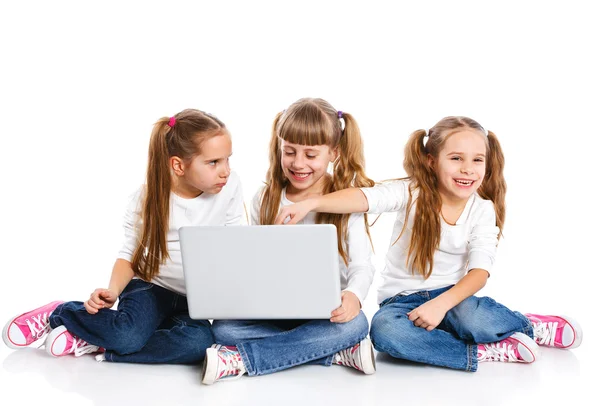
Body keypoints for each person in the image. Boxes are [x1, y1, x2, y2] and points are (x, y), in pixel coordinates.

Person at [275, 116, 582, 372]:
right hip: (401, 304)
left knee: (472, 317)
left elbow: (480, 272)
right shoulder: (410, 192)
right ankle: (484, 352)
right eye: (456, 159)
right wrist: (311, 202)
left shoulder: (482, 209)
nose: (467, 169)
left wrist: (440, 304)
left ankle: (524, 326)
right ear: (431, 161)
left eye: (477, 160)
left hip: (454, 299)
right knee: (385, 334)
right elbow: (364, 198)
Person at [2, 109, 245, 364]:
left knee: (199, 345)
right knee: (128, 335)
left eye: (228, 159)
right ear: (178, 165)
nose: (225, 171)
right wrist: (113, 291)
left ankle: (96, 342)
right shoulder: (148, 199)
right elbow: (130, 253)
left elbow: (232, 241)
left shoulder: (231, 187)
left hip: (193, 299)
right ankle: (62, 313)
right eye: (213, 162)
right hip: (151, 287)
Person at [202, 98, 377, 384]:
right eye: (290, 152)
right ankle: (331, 353)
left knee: (357, 324)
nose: (298, 164)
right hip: (275, 307)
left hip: (327, 312)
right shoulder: (265, 197)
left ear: (333, 152)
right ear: (279, 148)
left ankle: (240, 360)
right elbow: (254, 259)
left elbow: (363, 266)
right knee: (223, 329)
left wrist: (354, 296)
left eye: (311, 155)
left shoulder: (346, 201)